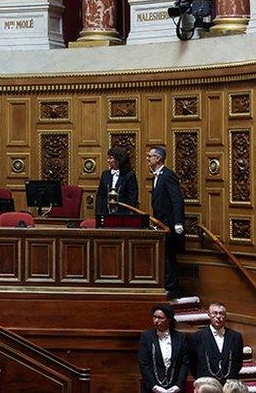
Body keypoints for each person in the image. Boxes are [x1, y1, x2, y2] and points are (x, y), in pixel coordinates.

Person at [147, 146, 186, 298]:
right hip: (160, 223)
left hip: (169, 224)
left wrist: (178, 222)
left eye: (150, 156)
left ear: (158, 158)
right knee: (165, 255)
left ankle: (173, 287)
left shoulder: (168, 175)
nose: (148, 159)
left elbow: (177, 200)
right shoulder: (156, 176)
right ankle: (168, 284)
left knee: (169, 255)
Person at [138, 302, 189, 393]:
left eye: (160, 318)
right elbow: (144, 364)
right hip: (152, 389)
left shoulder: (180, 337)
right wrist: (154, 386)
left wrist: (178, 386)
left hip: (175, 388)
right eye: (154, 317)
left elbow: (184, 363)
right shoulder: (146, 337)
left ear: (168, 320)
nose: (156, 320)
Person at [190, 302, 244, 384]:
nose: (218, 317)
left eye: (221, 314)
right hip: (206, 385)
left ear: (225, 316)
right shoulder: (197, 337)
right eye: (215, 313)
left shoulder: (236, 337)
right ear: (209, 315)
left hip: (229, 385)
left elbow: (238, 362)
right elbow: (193, 364)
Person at [94, 146, 139, 217]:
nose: (108, 160)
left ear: (119, 159)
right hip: (106, 212)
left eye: (110, 158)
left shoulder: (129, 175)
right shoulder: (105, 174)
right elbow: (100, 196)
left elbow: (132, 197)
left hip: (123, 213)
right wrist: (99, 214)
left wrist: (129, 213)